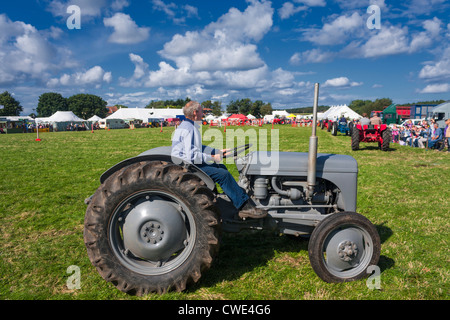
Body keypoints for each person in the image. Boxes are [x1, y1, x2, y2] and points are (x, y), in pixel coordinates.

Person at [171, 101, 267, 219]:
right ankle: (245, 206)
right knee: (223, 175)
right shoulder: (189, 129)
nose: (203, 114)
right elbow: (191, 155)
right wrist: (212, 157)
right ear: (195, 113)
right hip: (188, 165)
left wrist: (217, 152)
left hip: (188, 162)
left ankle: (225, 196)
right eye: (202, 111)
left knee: (220, 167)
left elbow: (198, 147)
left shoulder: (187, 126)